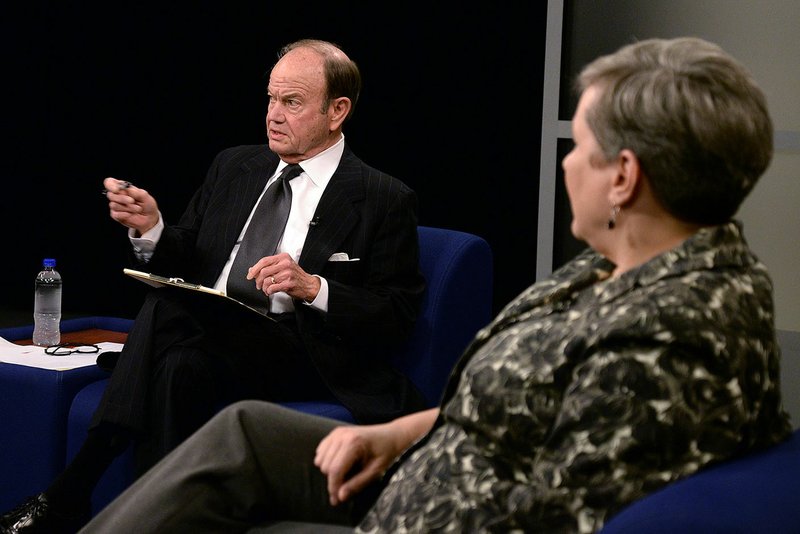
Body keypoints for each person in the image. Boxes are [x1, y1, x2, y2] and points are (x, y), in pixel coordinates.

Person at [73, 36, 794, 532]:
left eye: (582, 147)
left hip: (424, 511)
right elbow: (510, 406)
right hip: (419, 459)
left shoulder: (670, 335)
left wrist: (411, 480)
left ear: (626, 177)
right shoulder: (611, 270)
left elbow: (556, 507)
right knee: (243, 432)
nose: (568, 164)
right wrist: (396, 435)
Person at [1, 39, 427, 533]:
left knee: (166, 307)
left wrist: (314, 287)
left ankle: (72, 490)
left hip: (298, 349)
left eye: (291, 102)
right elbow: (190, 253)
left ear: (338, 111)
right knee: (181, 364)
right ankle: (155, 521)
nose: (273, 114)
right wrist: (153, 229)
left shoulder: (382, 197)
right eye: (270, 98)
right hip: (208, 339)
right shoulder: (235, 165)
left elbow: (396, 313)